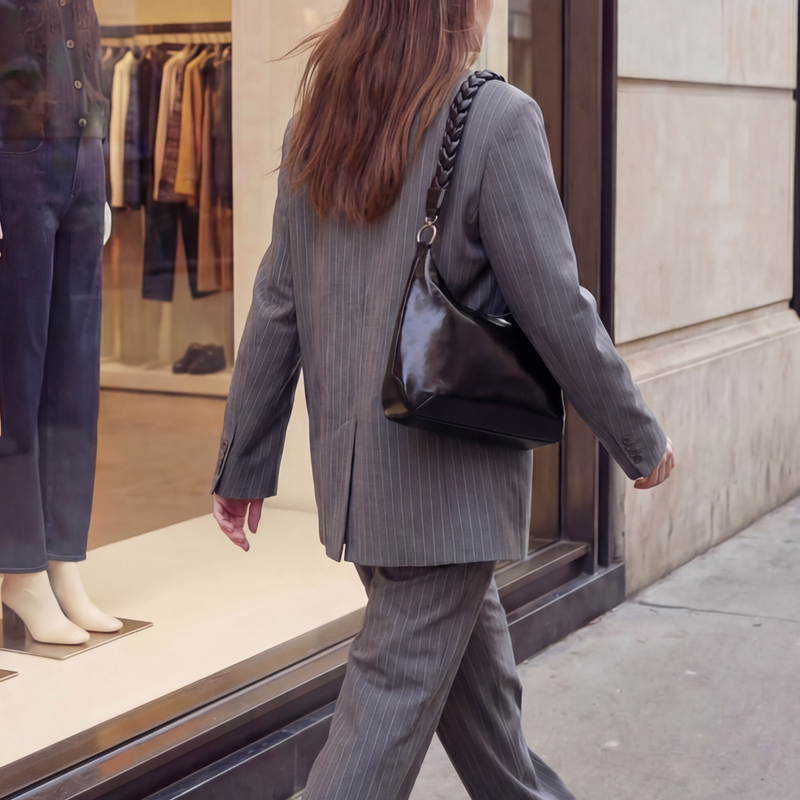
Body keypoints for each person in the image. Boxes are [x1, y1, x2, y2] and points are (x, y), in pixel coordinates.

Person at [212, 0, 675, 797]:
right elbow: (557, 309)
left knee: (487, 718)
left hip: (366, 489)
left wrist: (243, 461)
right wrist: (640, 438)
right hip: (445, 491)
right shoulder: (497, 119)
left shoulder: (320, 119)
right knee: (379, 722)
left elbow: (279, 300)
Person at [0, 0, 120, 645]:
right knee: (19, 377)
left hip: (82, 158)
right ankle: (19, 566)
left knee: (75, 378)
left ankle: (62, 554)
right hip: (15, 165)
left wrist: (100, 181)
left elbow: (86, 62)